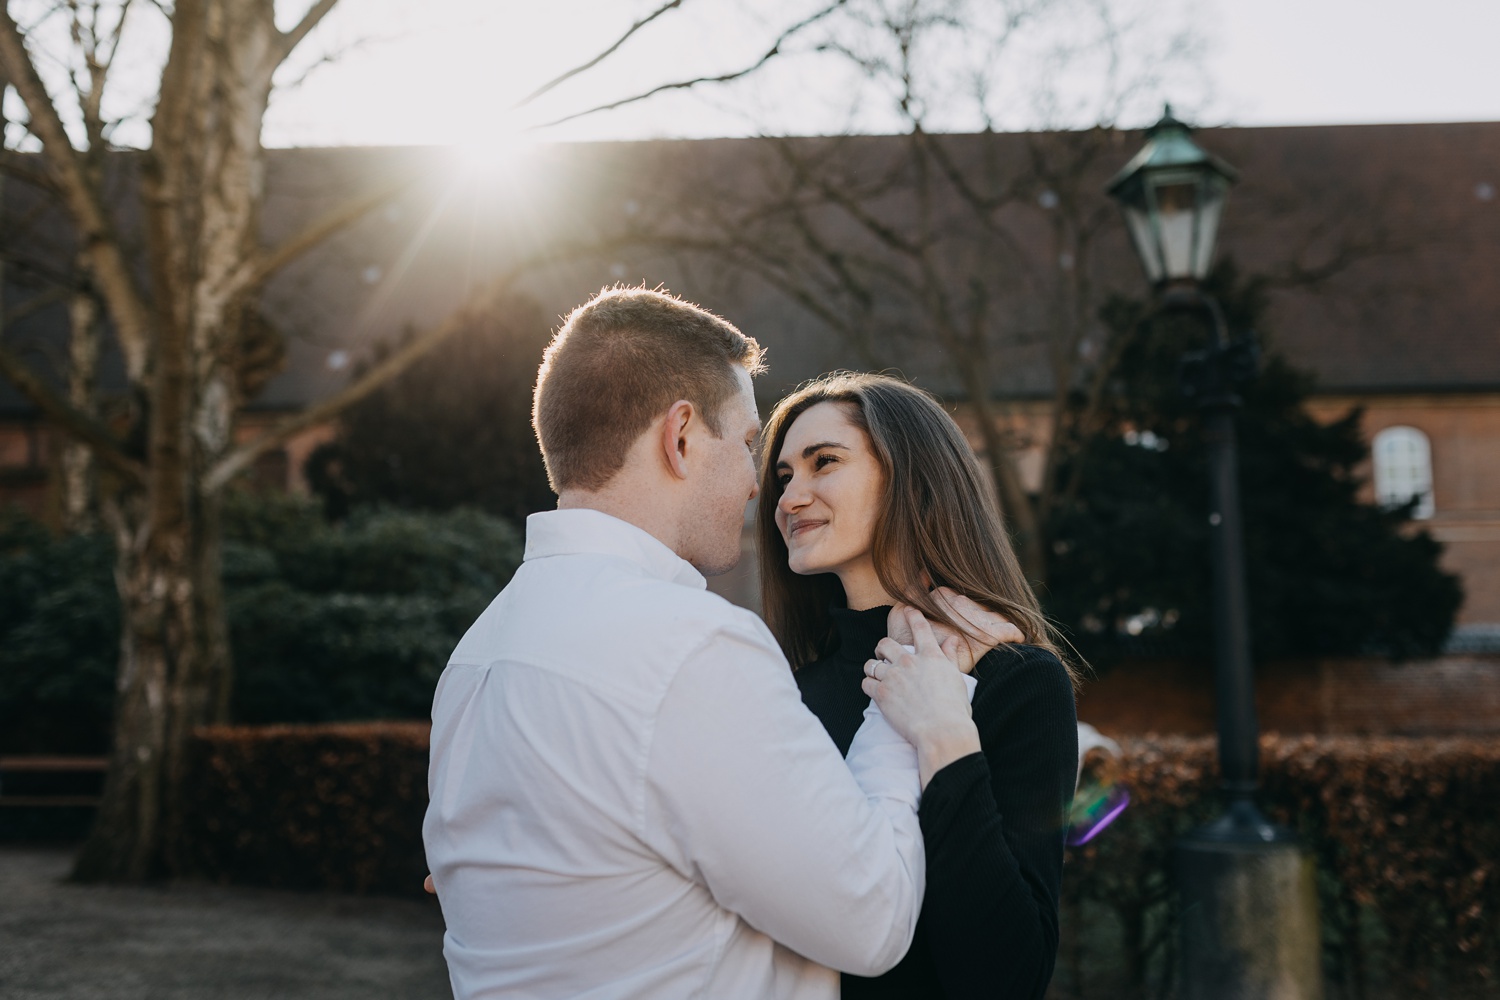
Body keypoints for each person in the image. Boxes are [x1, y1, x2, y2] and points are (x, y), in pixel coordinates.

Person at [421, 287, 1004, 1000]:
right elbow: (873, 921)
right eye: (752, 445)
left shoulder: (477, 654)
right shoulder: (690, 650)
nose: (763, 487)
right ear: (682, 437)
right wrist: (903, 698)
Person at [759, 372, 1081, 1000]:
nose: (790, 497)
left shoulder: (1018, 684)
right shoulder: (785, 691)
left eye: (824, 462)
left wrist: (943, 737)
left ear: (912, 476)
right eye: (784, 476)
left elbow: (1008, 977)